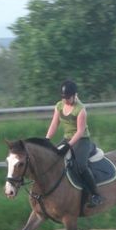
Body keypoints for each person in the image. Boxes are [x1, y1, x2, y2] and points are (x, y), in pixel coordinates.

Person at [46, 80, 103, 208]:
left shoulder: (80, 110)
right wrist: (47, 139)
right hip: (67, 138)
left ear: (74, 95)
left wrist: (68, 145)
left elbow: (80, 131)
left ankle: (95, 195)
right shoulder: (59, 106)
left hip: (82, 140)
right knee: (53, 159)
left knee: (81, 166)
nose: (66, 100)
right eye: (64, 97)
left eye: (68, 97)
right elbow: (54, 124)